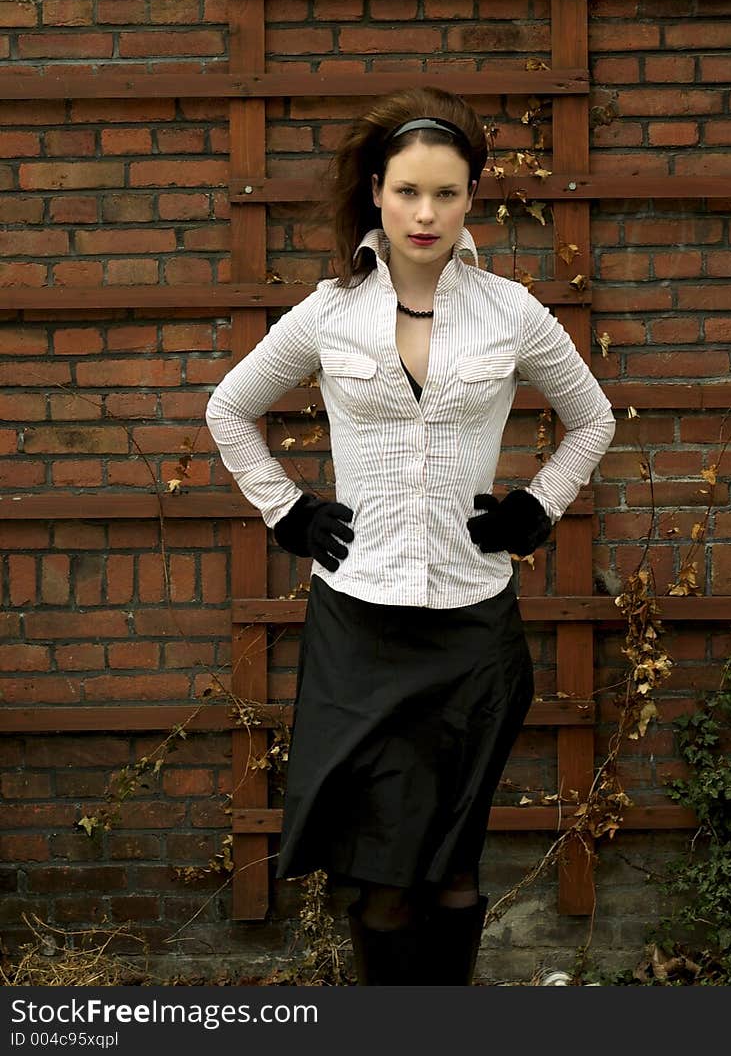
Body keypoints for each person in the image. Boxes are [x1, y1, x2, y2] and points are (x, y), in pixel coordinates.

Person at [205, 87, 615, 986]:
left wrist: (537, 506)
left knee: (456, 870)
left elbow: (592, 418)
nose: (425, 214)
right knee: (382, 879)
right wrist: (289, 512)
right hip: (360, 627)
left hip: (473, 628)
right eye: (407, 193)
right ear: (377, 195)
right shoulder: (329, 312)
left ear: (473, 197)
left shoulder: (512, 311)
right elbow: (229, 409)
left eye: (447, 193)